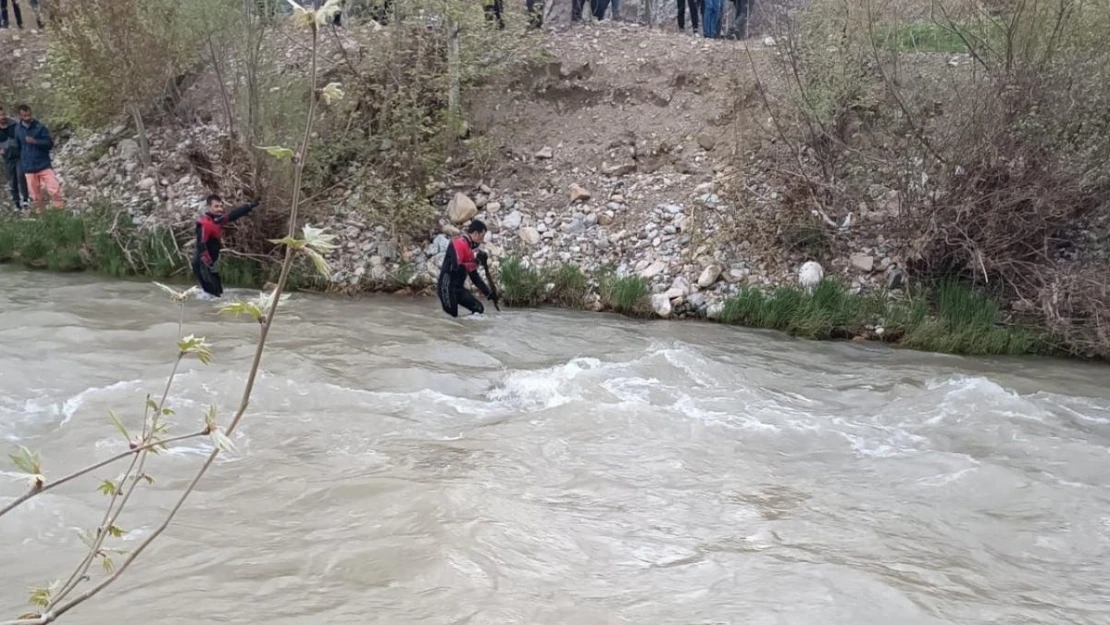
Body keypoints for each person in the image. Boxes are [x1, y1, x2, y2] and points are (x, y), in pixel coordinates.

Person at [192, 194, 259, 297]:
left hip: (210, 264)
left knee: (218, 294)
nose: (220, 209)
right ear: (209, 207)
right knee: (214, 296)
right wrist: (209, 264)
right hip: (203, 264)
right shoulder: (204, 223)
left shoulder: (216, 220)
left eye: (221, 206)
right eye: (216, 206)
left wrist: (249, 206)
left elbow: (232, 215)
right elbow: (201, 244)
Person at [437, 220, 498, 317]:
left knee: (479, 309)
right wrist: (476, 262)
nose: (482, 240)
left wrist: (488, 293)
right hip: (446, 288)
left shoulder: (469, 251)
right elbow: (456, 267)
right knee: (453, 318)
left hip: (458, 289)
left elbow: (474, 276)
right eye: (482, 236)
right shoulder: (459, 243)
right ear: (475, 234)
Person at [14, 104, 62, 212]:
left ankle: (60, 213)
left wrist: (35, 141)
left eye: (29, 115)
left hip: (43, 164)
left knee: (54, 189)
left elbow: (49, 144)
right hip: (28, 167)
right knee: (35, 196)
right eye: (25, 116)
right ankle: (41, 217)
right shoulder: (17, 129)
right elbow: (18, 147)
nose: (28, 117)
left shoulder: (40, 127)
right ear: (20, 116)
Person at [0, 107, 29, 211]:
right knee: (13, 180)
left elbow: (23, 135)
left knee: (21, 176)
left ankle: (25, 200)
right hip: (7, 158)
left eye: (3, 114)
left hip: (19, 155)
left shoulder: (15, 124)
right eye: (0, 115)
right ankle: (16, 202)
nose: (2, 117)